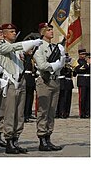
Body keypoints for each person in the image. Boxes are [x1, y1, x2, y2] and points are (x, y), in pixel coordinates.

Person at [0, 23, 42, 154]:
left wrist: (34, 47)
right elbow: (12, 48)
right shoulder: (2, 46)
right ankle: (9, 140)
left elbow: (22, 52)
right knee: (10, 113)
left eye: (14, 31)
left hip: (20, 81)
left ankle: (16, 138)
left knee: (19, 113)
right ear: (4, 34)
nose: (13, 33)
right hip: (10, 82)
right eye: (10, 31)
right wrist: (31, 42)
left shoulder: (17, 48)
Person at [33, 22, 65, 151]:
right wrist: (55, 65)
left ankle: (48, 136)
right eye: (48, 30)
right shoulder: (39, 47)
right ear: (42, 32)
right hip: (44, 81)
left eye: (52, 30)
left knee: (52, 111)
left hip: (55, 80)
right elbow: (41, 65)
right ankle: (42, 138)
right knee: (43, 110)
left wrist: (61, 59)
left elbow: (61, 64)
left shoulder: (54, 47)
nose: (51, 32)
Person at [56, 53, 74, 118]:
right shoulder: (58, 64)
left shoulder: (67, 66)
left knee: (64, 99)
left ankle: (63, 112)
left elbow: (72, 73)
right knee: (58, 98)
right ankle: (58, 112)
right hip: (59, 81)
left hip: (65, 82)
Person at [74, 49, 90, 118]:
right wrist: (87, 64)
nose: (84, 56)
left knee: (88, 98)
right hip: (82, 81)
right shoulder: (78, 62)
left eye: (85, 54)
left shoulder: (87, 62)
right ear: (79, 55)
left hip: (88, 81)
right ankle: (82, 113)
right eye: (82, 54)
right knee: (82, 98)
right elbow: (78, 70)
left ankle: (87, 112)